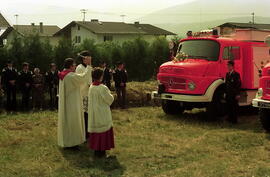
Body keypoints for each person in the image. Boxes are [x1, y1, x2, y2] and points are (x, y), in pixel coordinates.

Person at [58, 58, 92, 148]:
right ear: (70, 66)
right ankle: (72, 143)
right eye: (74, 65)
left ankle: (67, 141)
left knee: (67, 122)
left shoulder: (63, 74)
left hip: (66, 102)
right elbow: (83, 78)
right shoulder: (70, 76)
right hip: (72, 103)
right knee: (73, 121)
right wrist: (88, 66)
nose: (75, 66)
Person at [88, 67, 115, 158]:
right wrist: (111, 95)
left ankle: (97, 151)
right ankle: (102, 151)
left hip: (93, 112)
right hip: (102, 112)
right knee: (103, 131)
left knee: (96, 131)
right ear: (101, 76)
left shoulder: (91, 86)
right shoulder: (102, 88)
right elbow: (110, 100)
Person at [75, 50, 92, 140]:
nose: (90, 59)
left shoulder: (89, 67)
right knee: (84, 114)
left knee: (89, 114)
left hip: (89, 93)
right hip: (83, 93)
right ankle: (84, 133)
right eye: (88, 58)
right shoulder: (79, 67)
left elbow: (90, 78)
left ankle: (89, 132)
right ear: (84, 59)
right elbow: (81, 79)